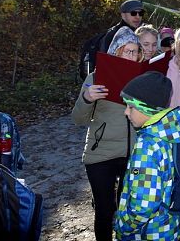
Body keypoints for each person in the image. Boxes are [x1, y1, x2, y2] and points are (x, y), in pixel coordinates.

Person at [71, 27, 140, 241]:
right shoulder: (96, 77)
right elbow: (78, 119)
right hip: (100, 153)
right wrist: (87, 98)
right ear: (116, 51)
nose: (132, 56)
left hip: (133, 152)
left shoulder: (141, 78)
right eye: (127, 51)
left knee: (127, 208)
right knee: (104, 210)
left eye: (135, 51)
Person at [115, 71, 180, 240]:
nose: (126, 112)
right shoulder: (171, 132)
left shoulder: (147, 146)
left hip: (146, 233)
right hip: (168, 227)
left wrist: (124, 226)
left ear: (147, 109)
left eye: (131, 107)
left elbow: (144, 205)